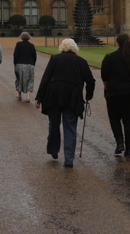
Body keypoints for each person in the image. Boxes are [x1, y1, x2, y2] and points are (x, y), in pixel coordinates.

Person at [35, 38, 95, 168]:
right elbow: (91, 81)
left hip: (54, 94)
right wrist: (88, 95)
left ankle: (53, 150)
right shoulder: (81, 61)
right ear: (75, 49)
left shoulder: (55, 59)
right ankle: (69, 159)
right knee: (70, 127)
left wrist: (39, 97)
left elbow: (45, 78)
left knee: (54, 124)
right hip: (72, 96)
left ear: (62, 48)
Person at [100, 33, 130, 156]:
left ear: (118, 43)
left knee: (114, 119)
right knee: (129, 122)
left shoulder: (110, 57)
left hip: (114, 93)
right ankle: (129, 149)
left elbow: (104, 78)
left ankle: (120, 143)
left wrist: (109, 88)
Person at [12, 32, 37, 101]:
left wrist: (15, 63)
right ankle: (28, 96)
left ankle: (19, 95)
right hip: (30, 64)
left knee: (19, 79)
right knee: (30, 80)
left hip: (19, 64)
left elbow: (15, 54)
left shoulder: (18, 44)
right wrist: (33, 64)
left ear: (21, 37)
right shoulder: (32, 45)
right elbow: (34, 56)